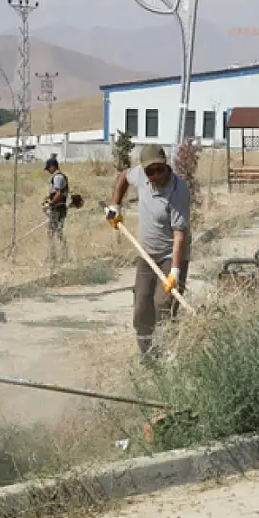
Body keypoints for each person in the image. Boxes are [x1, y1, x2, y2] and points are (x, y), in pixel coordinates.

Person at [105, 144, 191, 363]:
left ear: (166, 166)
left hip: (172, 255)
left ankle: (167, 353)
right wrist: (115, 206)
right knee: (142, 306)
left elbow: (179, 234)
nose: (155, 176)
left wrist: (174, 271)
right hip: (146, 254)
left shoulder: (178, 190)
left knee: (163, 304)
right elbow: (124, 176)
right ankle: (148, 358)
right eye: (149, 171)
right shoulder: (141, 177)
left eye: (159, 170)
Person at [43, 156, 69, 264]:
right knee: (58, 232)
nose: (48, 170)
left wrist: (51, 203)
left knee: (51, 233)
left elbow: (58, 193)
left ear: (53, 167)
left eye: (48, 168)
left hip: (57, 209)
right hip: (60, 208)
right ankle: (64, 254)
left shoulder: (57, 177)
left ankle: (53, 257)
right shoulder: (59, 176)